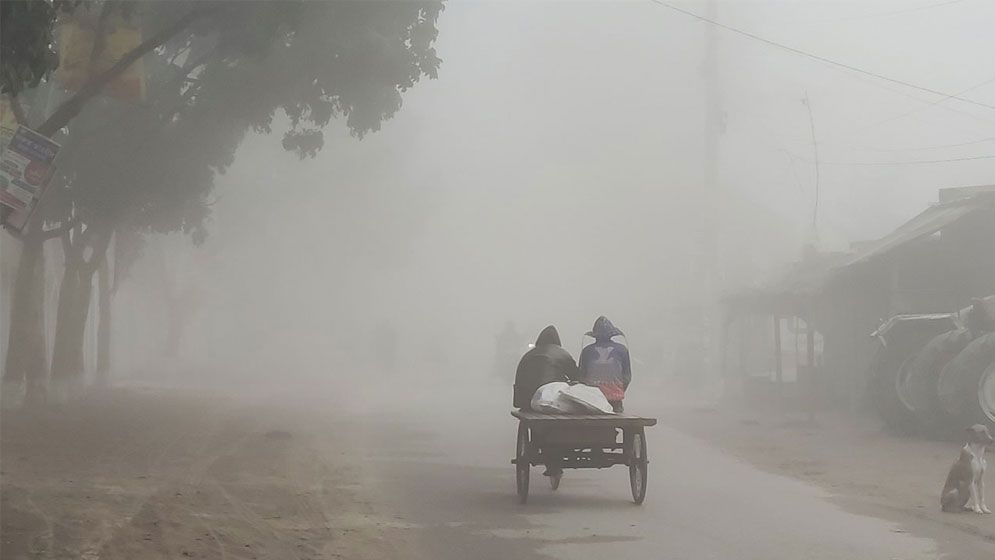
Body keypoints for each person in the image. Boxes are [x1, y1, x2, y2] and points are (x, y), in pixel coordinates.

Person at [513, 325, 578, 479]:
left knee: (539, 425)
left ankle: (541, 449)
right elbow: (576, 377)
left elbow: (519, 381)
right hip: (551, 400)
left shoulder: (528, 355)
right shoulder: (562, 354)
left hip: (529, 400)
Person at [578, 316, 631, 413]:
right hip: (615, 399)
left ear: (595, 335)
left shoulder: (587, 351)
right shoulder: (622, 349)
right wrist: (616, 390)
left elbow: (581, 376)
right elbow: (627, 376)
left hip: (592, 399)